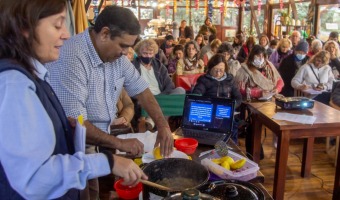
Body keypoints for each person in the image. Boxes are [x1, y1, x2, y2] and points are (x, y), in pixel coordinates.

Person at [0, 1, 147, 199]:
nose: (66, 34)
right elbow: (34, 178)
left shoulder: (31, 75)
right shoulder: (14, 82)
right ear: (25, 26)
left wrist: (64, 128)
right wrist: (109, 162)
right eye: (57, 25)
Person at [46, 6, 173, 199]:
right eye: (123, 46)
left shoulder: (117, 58)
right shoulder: (73, 57)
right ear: (105, 33)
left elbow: (142, 90)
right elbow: (76, 124)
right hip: (71, 149)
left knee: (96, 193)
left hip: (96, 141)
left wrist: (163, 125)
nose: (126, 53)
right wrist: (120, 143)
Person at [192, 54, 242, 143]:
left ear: (225, 70)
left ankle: (231, 147)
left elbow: (238, 97)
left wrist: (232, 106)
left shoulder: (230, 80)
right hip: (210, 112)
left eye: (221, 70)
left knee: (231, 124)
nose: (218, 73)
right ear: (210, 68)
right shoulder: (204, 80)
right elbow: (196, 95)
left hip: (226, 111)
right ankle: (213, 146)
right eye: (215, 70)